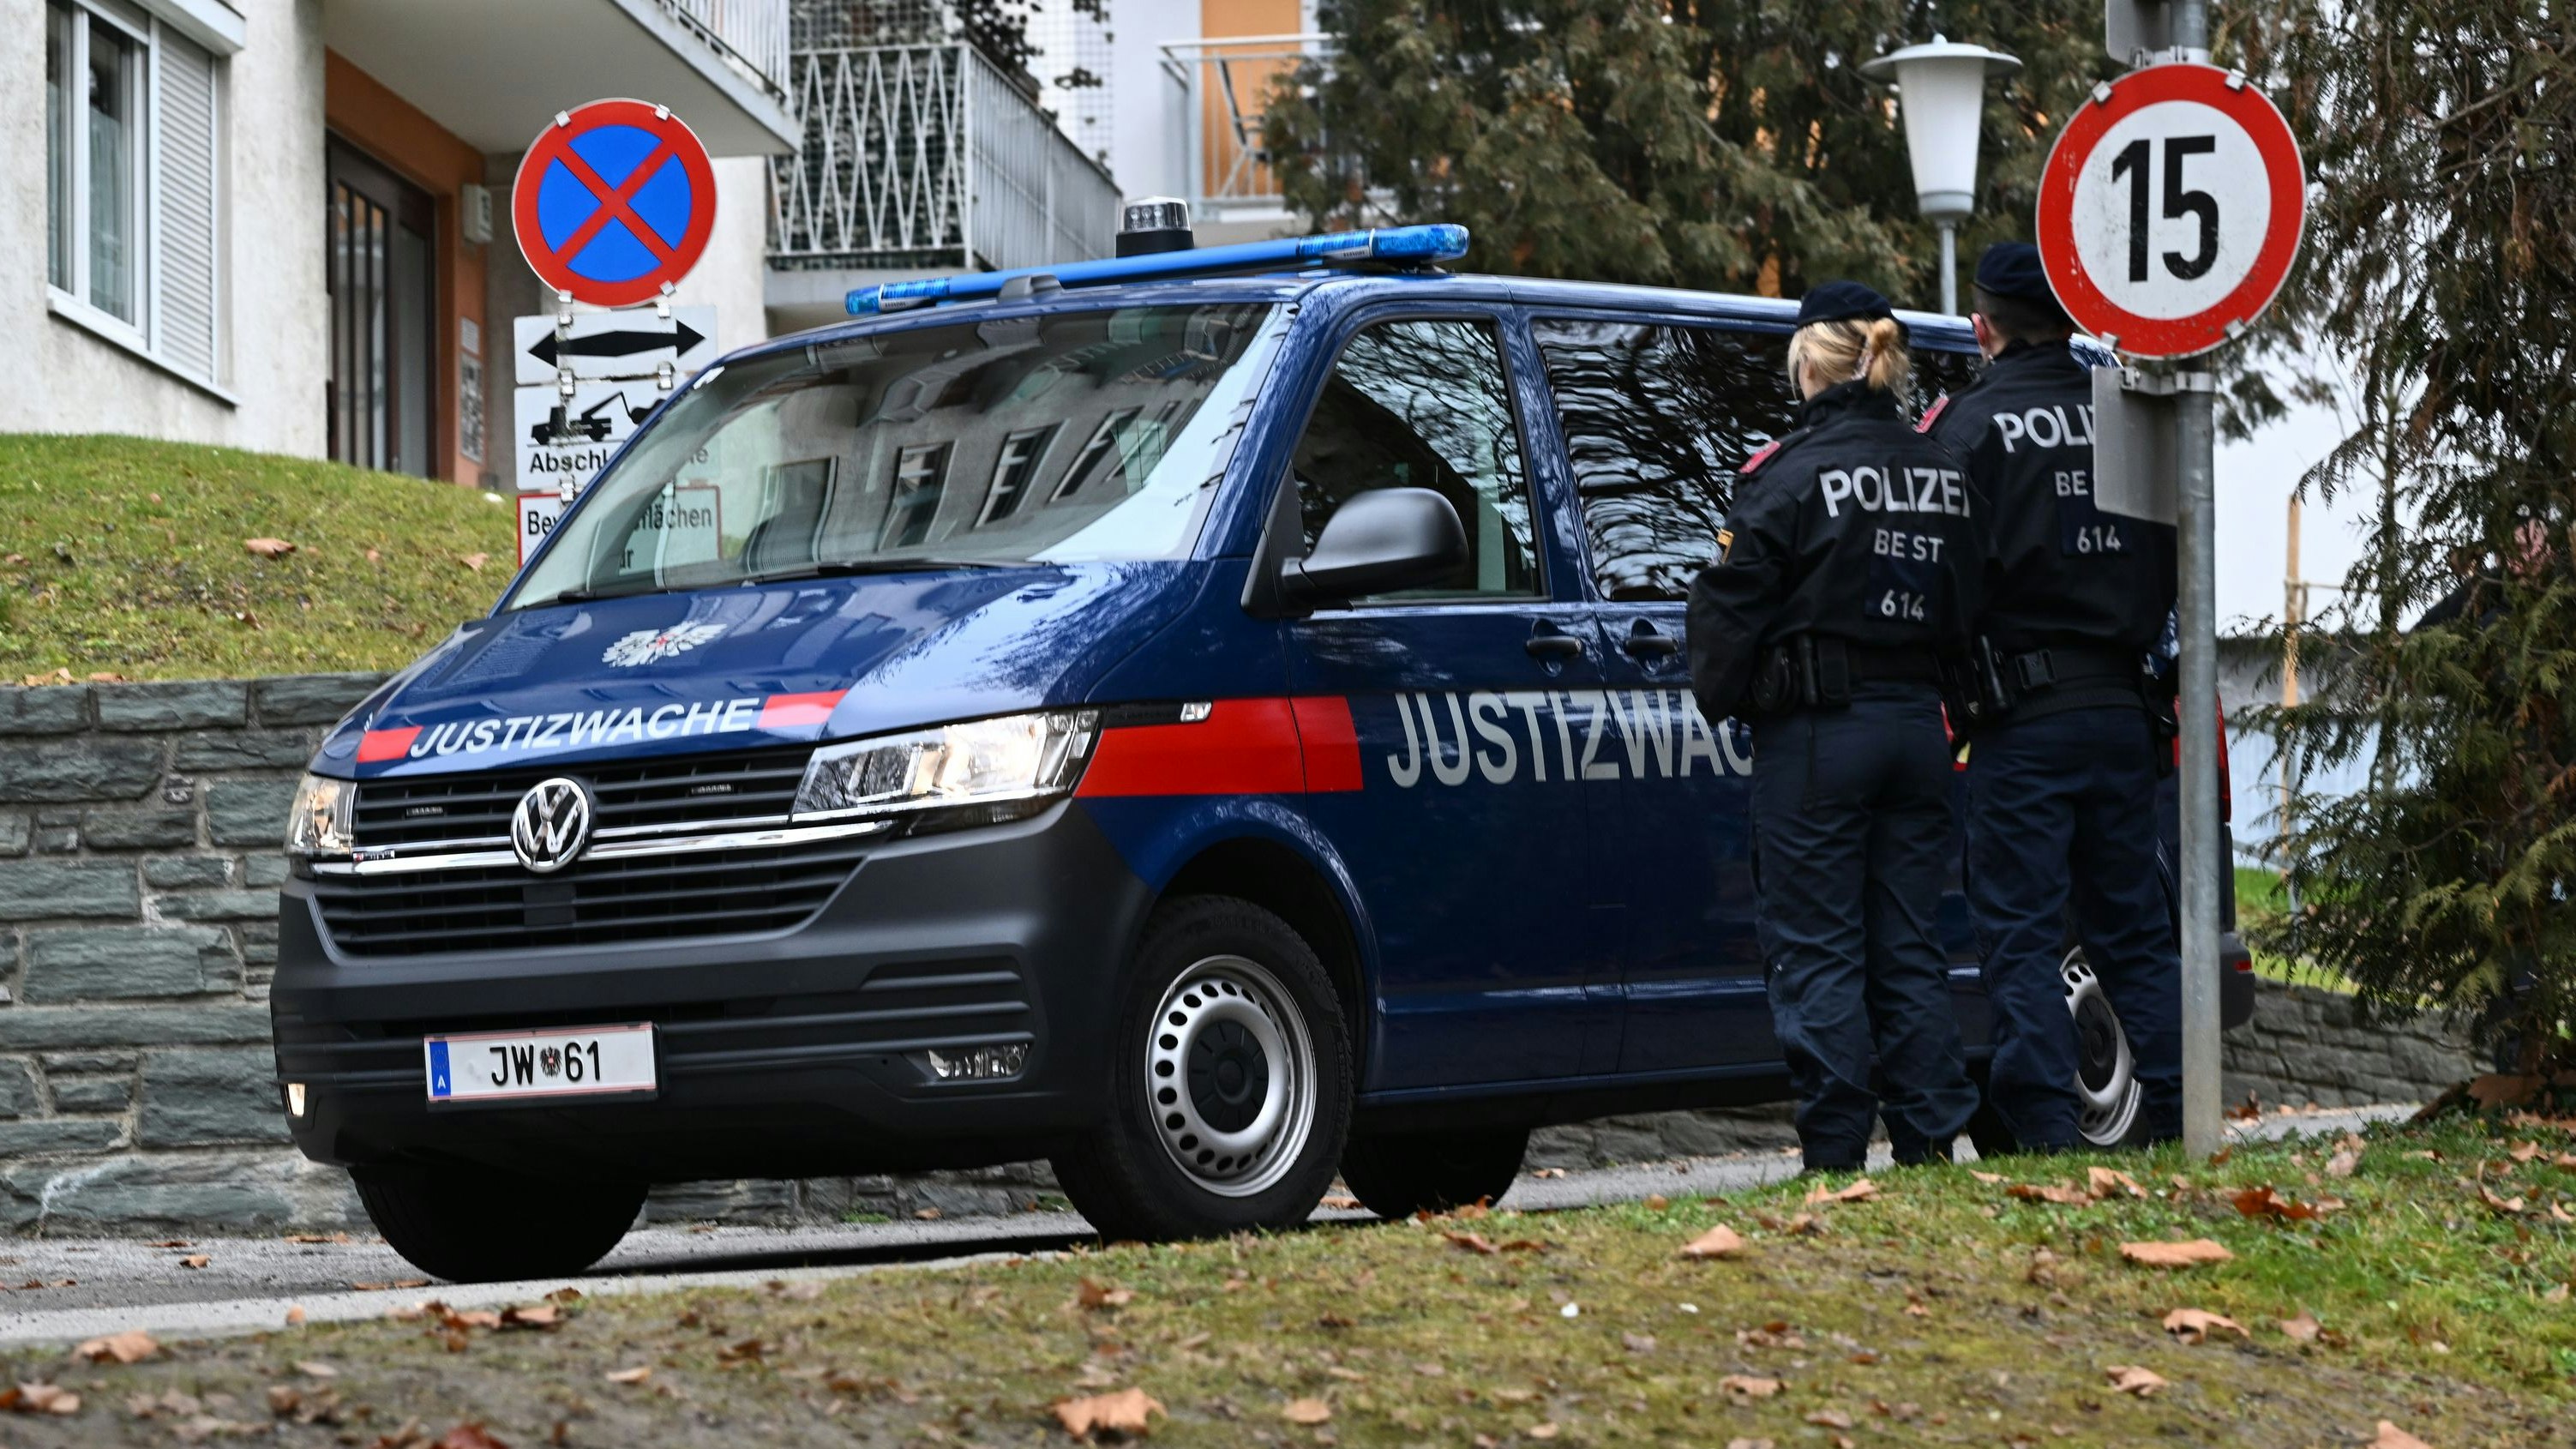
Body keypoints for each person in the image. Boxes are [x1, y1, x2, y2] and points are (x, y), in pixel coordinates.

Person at [1687, 281, 1985, 1173]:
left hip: (1818, 736)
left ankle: (1834, 1151)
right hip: (1918, 730)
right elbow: (1971, 607)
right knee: (1908, 945)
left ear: (1809, 363)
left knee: (1817, 949)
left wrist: (1732, 693)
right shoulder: (1942, 469)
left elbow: (1727, 616)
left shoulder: (1783, 474)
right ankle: (1929, 1141)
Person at [1925, 242, 2182, 1151]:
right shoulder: (2127, 411)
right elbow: (2176, 552)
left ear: (1982, 327)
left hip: (2022, 719)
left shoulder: (1967, 426)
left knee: (2021, 932)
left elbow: (1941, 581)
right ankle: (2177, 1114)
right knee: (2134, 932)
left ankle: (2043, 1130)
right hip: (2121, 710)